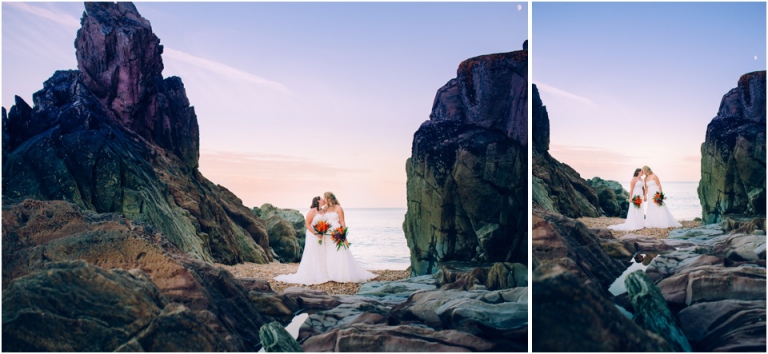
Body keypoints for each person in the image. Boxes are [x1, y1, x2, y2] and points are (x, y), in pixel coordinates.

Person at [321, 191, 376, 283]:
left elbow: (342, 222)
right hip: (327, 234)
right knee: (329, 253)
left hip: (336, 232)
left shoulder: (339, 208)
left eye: (325, 198)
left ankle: (340, 274)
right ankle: (330, 273)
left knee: (338, 252)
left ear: (329, 198)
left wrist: (343, 235)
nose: (324, 200)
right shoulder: (325, 209)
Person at [274, 196, 330, 285]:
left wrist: (324, 231)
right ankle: (312, 274)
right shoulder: (312, 211)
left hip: (321, 235)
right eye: (322, 199)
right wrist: (316, 233)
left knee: (321, 252)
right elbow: (307, 224)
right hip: (313, 235)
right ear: (318, 201)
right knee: (313, 253)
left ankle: (322, 273)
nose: (324, 200)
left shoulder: (323, 211)